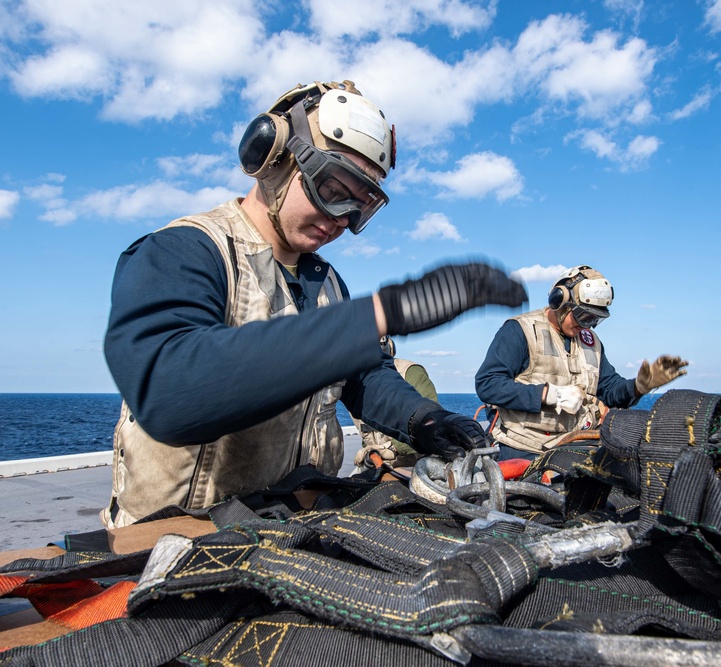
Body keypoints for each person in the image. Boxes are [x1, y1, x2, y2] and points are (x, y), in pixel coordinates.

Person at [102, 79, 527, 528]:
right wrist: (387, 311)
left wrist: (423, 420)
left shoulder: (325, 282)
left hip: (289, 531)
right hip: (179, 538)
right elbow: (170, 392)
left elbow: (362, 377)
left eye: (359, 207)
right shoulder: (182, 252)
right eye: (332, 188)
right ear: (273, 157)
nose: (341, 219)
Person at [475, 265, 688, 460]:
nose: (588, 326)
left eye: (595, 320)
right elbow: (488, 384)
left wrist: (639, 387)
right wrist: (549, 395)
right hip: (523, 446)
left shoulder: (591, 343)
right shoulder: (520, 331)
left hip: (573, 444)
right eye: (583, 316)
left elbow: (610, 390)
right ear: (559, 301)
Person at [351, 336, 438, 470]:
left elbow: (431, 424)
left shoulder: (410, 373)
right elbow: (367, 433)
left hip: (414, 464)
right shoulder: (354, 383)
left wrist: (394, 448)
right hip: (376, 462)